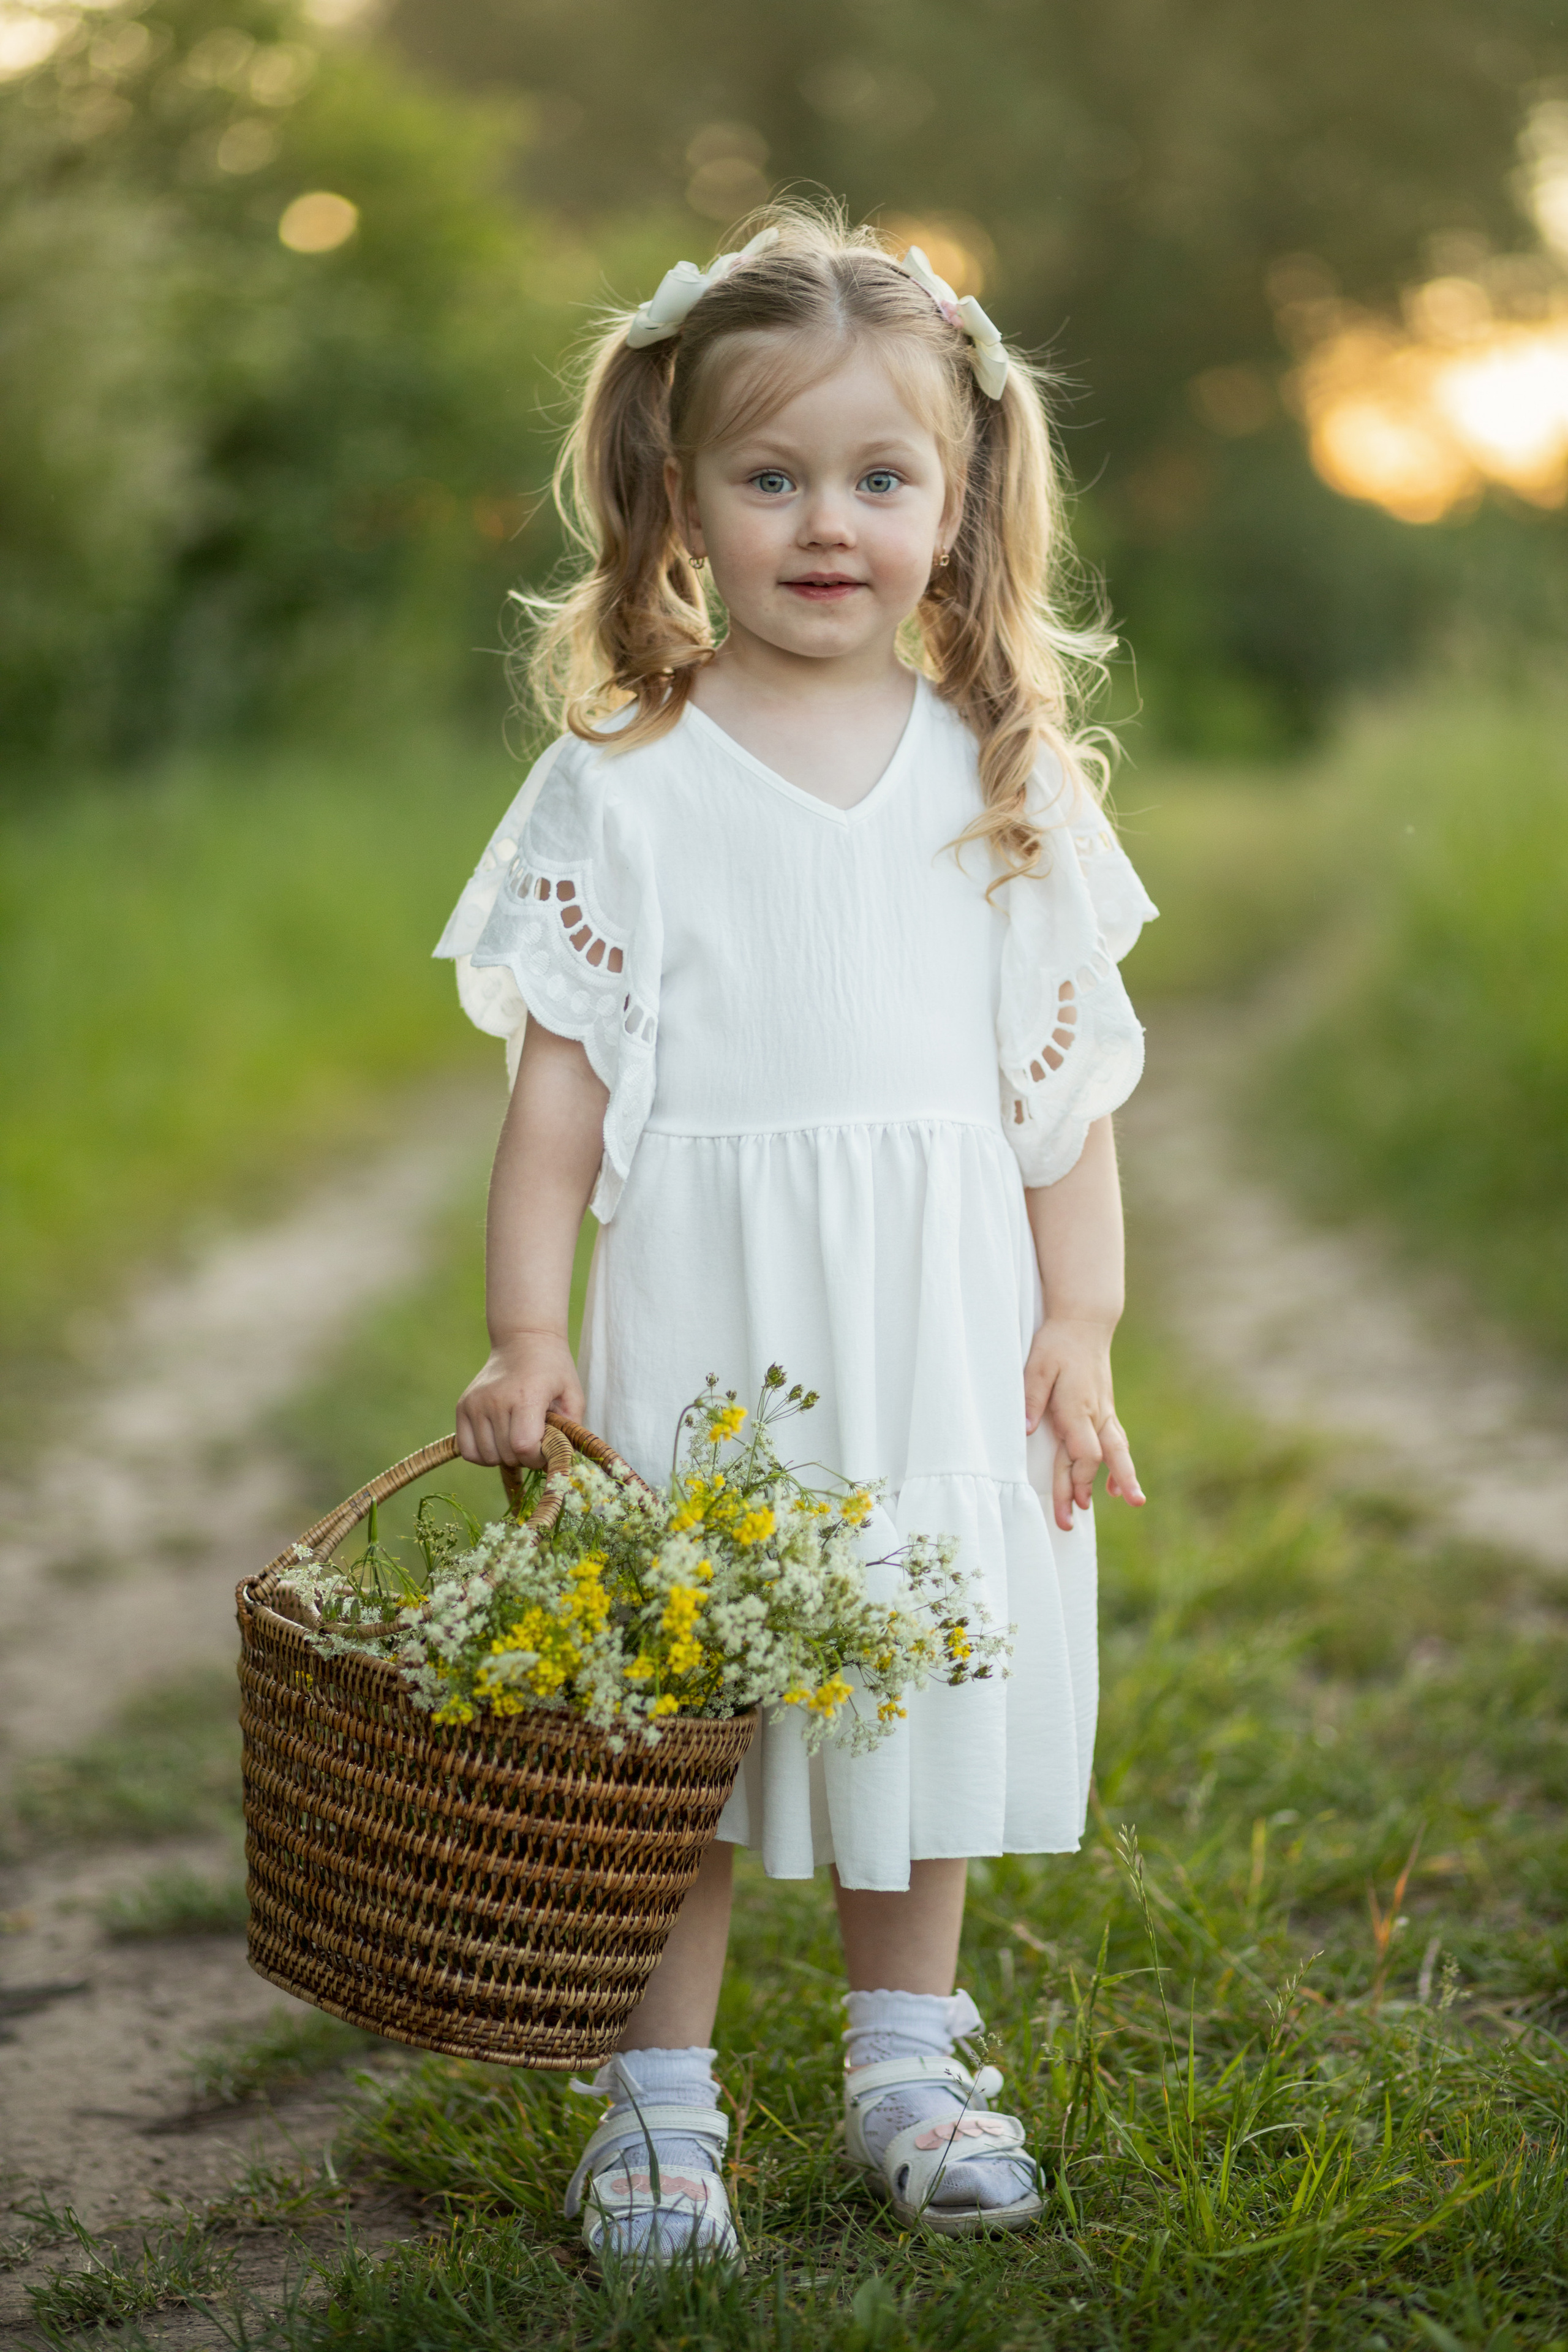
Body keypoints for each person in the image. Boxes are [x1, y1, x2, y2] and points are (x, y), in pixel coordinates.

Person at [437, 203, 1155, 2267]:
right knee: (687, 1712)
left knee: (910, 1677)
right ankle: (658, 2106)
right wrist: (525, 1335)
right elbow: (558, 1101)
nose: (825, 522)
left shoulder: (1001, 781)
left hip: (935, 1317)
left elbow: (1062, 1096)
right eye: (771, 477)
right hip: (714, 1327)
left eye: (878, 477)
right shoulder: (631, 782)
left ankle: (906, 2063)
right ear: (679, 496)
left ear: (960, 500)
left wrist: (1079, 1326)